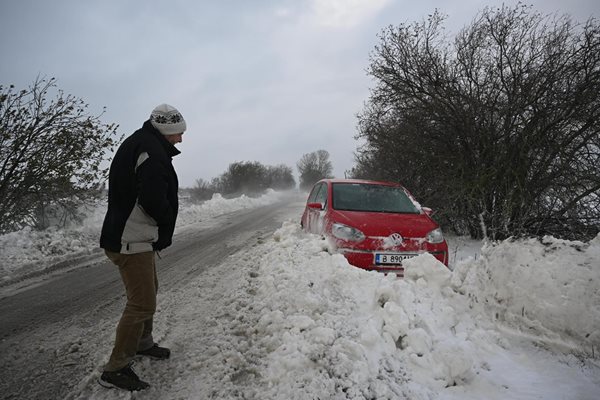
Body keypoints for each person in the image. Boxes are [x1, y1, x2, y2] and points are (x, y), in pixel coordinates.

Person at [98, 103, 186, 391]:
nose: (180, 140)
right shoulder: (150, 153)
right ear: (165, 130)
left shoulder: (145, 143)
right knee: (141, 303)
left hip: (137, 237)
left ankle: (142, 343)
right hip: (130, 238)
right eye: (177, 134)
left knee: (150, 292)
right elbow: (151, 198)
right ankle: (116, 368)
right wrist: (166, 218)